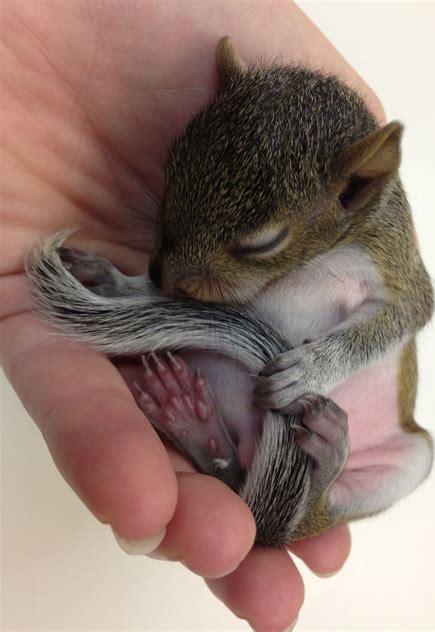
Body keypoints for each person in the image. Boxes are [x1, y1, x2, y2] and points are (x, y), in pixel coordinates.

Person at [0, 2, 384, 629]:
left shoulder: (366, 244)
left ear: (355, 190)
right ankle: (234, 467)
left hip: (338, 410)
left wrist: (325, 364)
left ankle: (273, 477)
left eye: (257, 242)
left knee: (387, 471)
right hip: (259, 382)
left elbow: (403, 313)